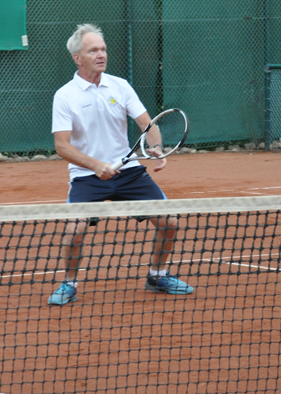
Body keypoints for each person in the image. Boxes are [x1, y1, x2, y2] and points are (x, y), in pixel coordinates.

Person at [48, 23, 194, 305]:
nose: (101, 54)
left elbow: (148, 125)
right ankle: (69, 284)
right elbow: (62, 146)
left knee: (169, 221)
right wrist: (95, 165)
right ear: (77, 58)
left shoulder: (120, 86)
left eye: (103, 49)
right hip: (86, 177)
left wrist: (156, 147)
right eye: (93, 50)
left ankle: (157, 276)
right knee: (75, 231)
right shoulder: (65, 96)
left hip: (129, 173)